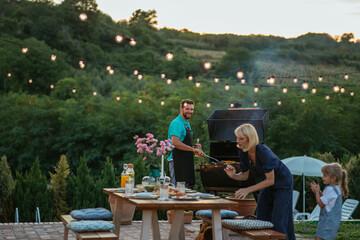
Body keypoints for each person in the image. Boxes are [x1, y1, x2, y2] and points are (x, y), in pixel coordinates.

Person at [224, 123, 295, 240]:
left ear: (250, 138)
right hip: (267, 184)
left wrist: (248, 190)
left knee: (278, 220)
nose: (238, 141)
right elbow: (244, 176)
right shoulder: (243, 152)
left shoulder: (264, 153)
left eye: (241, 138)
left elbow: (270, 180)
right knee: (261, 218)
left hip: (283, 184)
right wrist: (233, 175)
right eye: (237, 137)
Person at [167, 99, 205, 186]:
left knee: (185, 190)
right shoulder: (176, 123)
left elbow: (184, 141)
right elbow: (175, 143)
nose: (190, 111)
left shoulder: (186, 123)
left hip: (185, 160)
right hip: (177, 161)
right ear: (181, 109)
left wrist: (195, 147)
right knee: (177, 190)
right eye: (187, 109)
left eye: (191, 109)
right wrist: (193, 149)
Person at [310, 163, 349, 240]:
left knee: (319, 238)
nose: (322, 177)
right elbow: (325, 199)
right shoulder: (337, 189)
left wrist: (316, 192)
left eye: (325, 175)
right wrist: (319, 191)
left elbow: (321, 204)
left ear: (333, 178)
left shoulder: (329, 189)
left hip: (326, 222)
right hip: (333, 223)